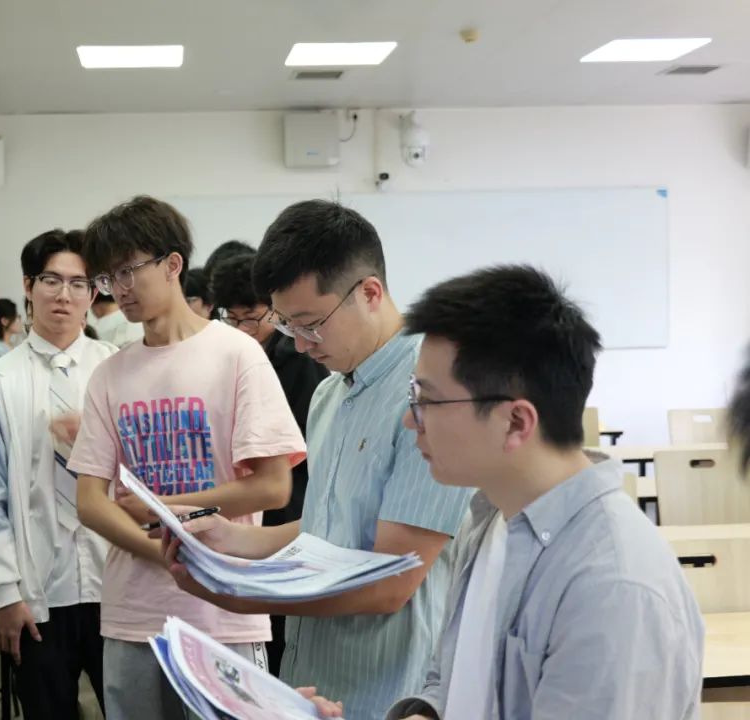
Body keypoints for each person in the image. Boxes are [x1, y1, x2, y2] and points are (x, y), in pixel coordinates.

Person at [160, 200, 472, 720]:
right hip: (313, 684)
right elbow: (330, 528)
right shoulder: (329, 394)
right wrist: (232, 539)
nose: (302, 346)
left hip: (391, 690)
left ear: (369, 293)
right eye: (287, 326)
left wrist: (240, 595)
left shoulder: (430, 392)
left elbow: (391, 584)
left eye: (311, 324)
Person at [383, 265, 704, 719]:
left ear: (516, 422)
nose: (409, 420)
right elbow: (459, 681)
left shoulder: (611, 587)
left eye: (428, 401)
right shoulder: (491, 518)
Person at [68, 196, 306, 720]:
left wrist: (166, 507)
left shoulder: (237, 354)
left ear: (173, 264)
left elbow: (273, 487)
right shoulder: (110, 374)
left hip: (223, 610)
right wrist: (165, 554)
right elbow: (91, 501)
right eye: (108, 278)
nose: (120, 289)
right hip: (133, 613)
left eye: (129, 270)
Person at [0, 229, 116, 719]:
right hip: (38, 593)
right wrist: (3, 595)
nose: (64, 295)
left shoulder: (118, 371)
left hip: (116, 586)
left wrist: (94, 441)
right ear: (28, 286)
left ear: (93, 292)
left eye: (78, 283)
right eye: (51, 280)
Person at [210, 250, 328, 675]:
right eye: (232, 318)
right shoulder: (236, 357)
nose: (242, 328)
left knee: (279, 630)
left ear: (274, 309)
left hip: (290, 504)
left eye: (251, 317)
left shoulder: (295, 358)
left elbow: (297, 444)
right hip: (256, 510)